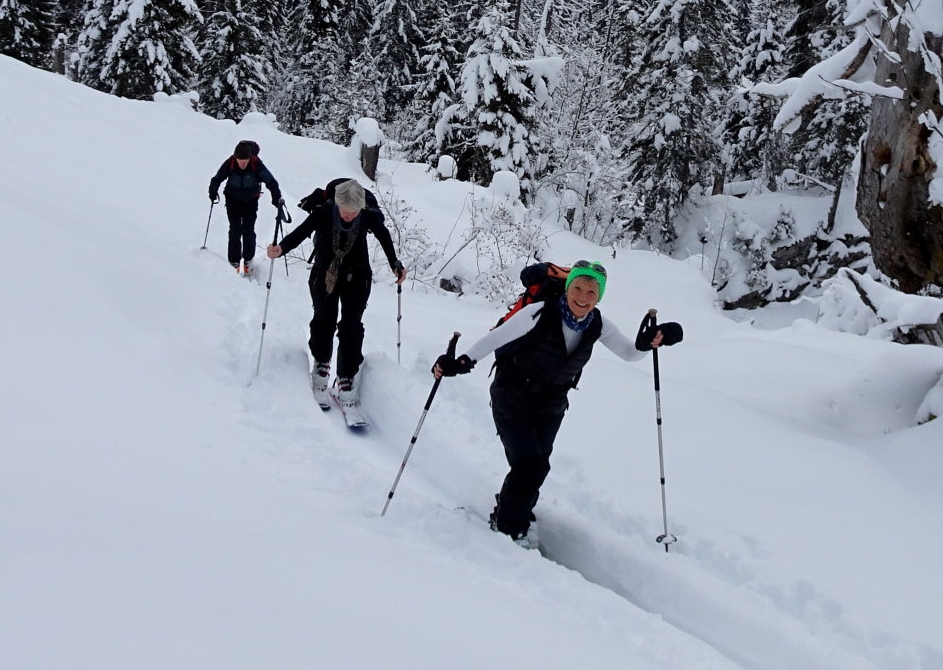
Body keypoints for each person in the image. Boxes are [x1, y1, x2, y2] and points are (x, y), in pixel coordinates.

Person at [433, 259, 680, 544]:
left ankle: (516, 509)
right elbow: (496, 338)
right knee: (529, 466)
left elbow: (630, 353)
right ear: (568, 288)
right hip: (512, 394)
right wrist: (463, 361)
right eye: (578, 288)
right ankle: (508, 529)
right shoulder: (539, 311)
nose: (583, 297)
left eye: (592, 292)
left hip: (551, 404)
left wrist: (653, 340)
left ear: (599, 297)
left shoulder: (598, 324)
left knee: (537, 465)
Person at [268, 178, 404, 409]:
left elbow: (383, 235)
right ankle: (321, 364)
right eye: (345, 210)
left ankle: (346, 376)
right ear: (337, 204)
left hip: (357, 275)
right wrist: (281, 248)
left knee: (352, 326)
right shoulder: (324, 211)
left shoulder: (367, 215)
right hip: (324, 273)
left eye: (354, 211)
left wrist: (395, 263)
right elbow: (301, 232)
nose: (349, 215)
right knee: (324, 320)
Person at [208, 139, 284, 276]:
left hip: (251, 201)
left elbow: (271, 181)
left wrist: (276, 197)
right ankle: (234, 262)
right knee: (235, 229)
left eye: (245, 161)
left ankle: (248, 261)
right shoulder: (230, 163)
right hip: (232, 200)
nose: (242, 164)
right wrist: (213, 190)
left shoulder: (256, 163)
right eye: (240, 161)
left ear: (250, 158)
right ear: (235, 158)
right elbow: (217, 178)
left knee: (248, 230)